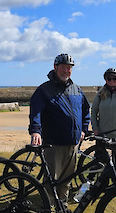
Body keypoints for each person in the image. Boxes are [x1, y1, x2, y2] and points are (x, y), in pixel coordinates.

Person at [29, 53, 90, 211]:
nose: (66, 70)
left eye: (69, 68)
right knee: (51, 181)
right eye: (63, 67)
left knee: (66, 181)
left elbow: (85, 110)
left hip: (73, 144)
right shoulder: (44, 89)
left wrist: (84, 129)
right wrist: (35, 131)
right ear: (55, 67)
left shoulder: (76, 89)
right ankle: (47, 207)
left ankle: (61, 207)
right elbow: (36, 112)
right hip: (53, 144)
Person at [91, 68, 116, 173]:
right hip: (103, 132)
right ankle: (92, 182)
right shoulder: (100, 95)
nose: (112, 80)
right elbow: (94, 111)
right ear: (106, 80)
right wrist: (95, 128)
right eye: (109, 78)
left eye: (114, 78)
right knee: (99, 158)